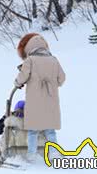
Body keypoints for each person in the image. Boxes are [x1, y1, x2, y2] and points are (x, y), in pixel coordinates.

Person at [14, 33, 65, 161]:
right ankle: (54, 152)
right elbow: (62, 78)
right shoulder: (54, 60)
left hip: (34, 99)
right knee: (50, 129)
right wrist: (53, 84)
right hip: (50, 98)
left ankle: (31, 154)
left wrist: (17, 83)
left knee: (33, 130)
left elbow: (23, 76)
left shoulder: (30, 60)